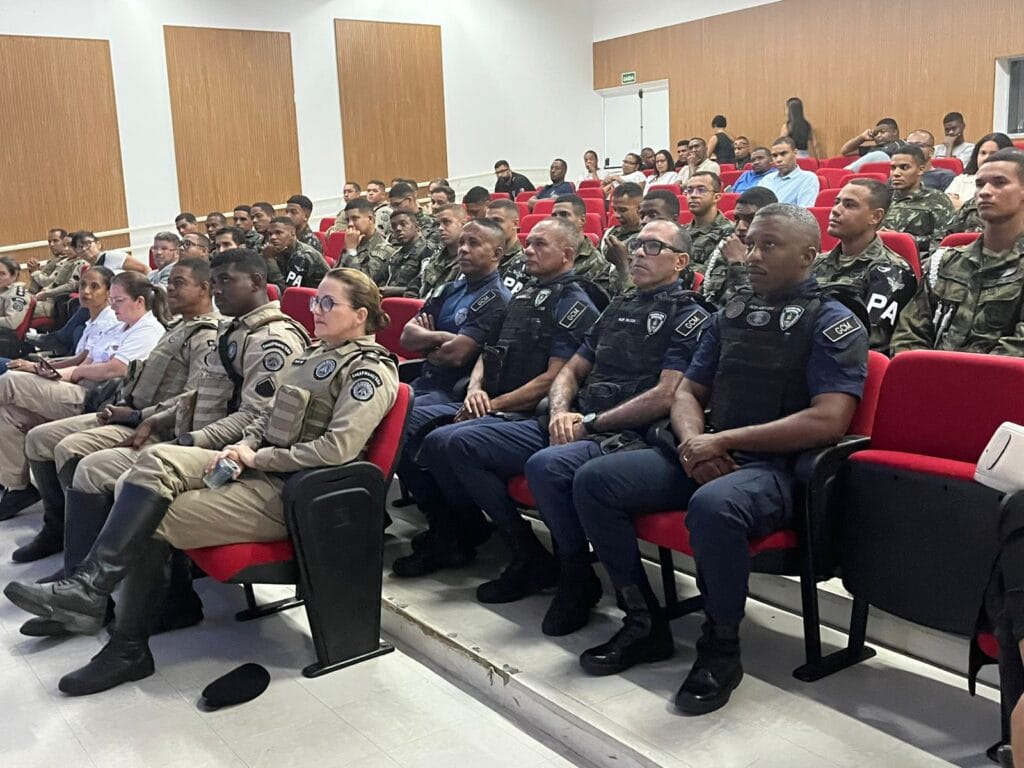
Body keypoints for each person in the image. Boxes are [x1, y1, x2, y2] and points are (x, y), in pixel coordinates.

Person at [3, 268, 398, 696]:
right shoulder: (314, 357)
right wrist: (240, 448)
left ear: (360, 315)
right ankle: (88, 588)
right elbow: (265, 417)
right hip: (254, 469)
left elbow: (337, 450)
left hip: (293, 494)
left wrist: (255, 455)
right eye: (316, 301)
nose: (315, 310)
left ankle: (126, 646)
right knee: (151, 463)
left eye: (327, 303)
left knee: (152, 514)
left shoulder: (368, 371)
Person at [565, 203, 867, 716]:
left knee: (713, 506)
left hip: (777, 471)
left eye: (769, 245)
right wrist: (693, 442)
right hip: (707, 451)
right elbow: (686, 391)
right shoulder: (731, 314)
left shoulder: (832, 322)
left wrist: (721, 442)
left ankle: (721, 648)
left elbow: (829, 420)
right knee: (595, 480)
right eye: (750, 244)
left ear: (809, 255)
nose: (752, 255)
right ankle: (643, 620)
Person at [440, 219, 712, 609]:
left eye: (653, 247)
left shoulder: (690, 315)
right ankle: (526, 552)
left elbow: (667, 394)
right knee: (457, 442)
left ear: (680, 261)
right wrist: (561, 409)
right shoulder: (618, 306)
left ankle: (576, 575)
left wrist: (590, 422)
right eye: (636, 245)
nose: (637, 253)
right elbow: (572, 369)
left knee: (547, 466)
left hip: (628, 434)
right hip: (572, 420)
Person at [391, 218, 601, 577]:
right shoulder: (523, 296)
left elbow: (555, 377)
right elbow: (489, 353)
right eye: (528, 243)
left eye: (540, 245)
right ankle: (464, 530)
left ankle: (522, 549)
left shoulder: (574, 304)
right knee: (432, 438)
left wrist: (492, 404)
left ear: (567, 255)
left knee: (445, 440)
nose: (528, 250)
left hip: (534, 414)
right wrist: (476, 389)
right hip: (496, 404)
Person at [14, 259, 220, 566]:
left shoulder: (207, 335)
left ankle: (84, 562)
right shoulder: (178, 329)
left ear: (205, 289)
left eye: (179, 284)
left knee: (72, 452)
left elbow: (191, 399)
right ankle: (58, 529)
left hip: (153, 424)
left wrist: (139, 416)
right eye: (170, 283)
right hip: (129, 410)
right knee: (39, 438)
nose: (169, 290)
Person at [0, 271, 168, 519]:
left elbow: (115, 369)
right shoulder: (120, 326)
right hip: (77, 386)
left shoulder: (147, 330)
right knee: (8, 413)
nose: (113, 305)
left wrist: (71, 373)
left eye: (118, 300)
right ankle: (17, 486)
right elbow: (86, 359)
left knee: (7, 382)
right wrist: (47, 369)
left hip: (94, 398)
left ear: (139, 302)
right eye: (112, 299)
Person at [890, 148, 1024, 355]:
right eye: (979, 184)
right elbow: (908, 334)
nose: (985, 191)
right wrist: (920, 373)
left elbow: (1017, 350)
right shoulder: (945, 261)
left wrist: (956, 378)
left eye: (999, 183)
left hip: (1002, 383)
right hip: (931, 380)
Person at [399, 219, 512, 406]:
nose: (463, 249)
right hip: (422, 380)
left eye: (473, 243)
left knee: (392, 415)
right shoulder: (448, 289)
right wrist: (444, 337)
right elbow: (407, 337)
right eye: (461, 242)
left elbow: (456, 355)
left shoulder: (496, 299)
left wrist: (427, 345)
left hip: (451, 392)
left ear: (496, 254)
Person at [817, 180, 918, 354]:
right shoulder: (815, 263)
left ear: (875, 217)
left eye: (849, 205)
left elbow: (868, 338)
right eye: (837, 202)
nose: (836, 210)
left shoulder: (893, 272)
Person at [702, 187, 778, 307]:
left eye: (751, 219)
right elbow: (704, 291)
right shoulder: (726, 248)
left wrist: (738, 264)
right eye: (737, 219)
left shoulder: (781, 259)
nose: (741, 227)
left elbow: (749, 307)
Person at [881, 145, 955, 258]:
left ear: (921, 169)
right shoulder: (880, 198)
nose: (896, 173)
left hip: (917, 260)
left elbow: (943, 242)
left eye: (904, 167)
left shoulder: (937, 200)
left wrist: (901, 239)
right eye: (893, 168)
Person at [550, 196, 619, 298]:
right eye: (554, 215)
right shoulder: (546, 254)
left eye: (564, 214)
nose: (558, 220)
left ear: (582, 220)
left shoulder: (598, 264)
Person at [32, 230, 92, 320]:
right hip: (48, 297)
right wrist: (47, 289)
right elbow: (56, 282)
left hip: (55, 301)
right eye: (65, 246)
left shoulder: (81, 263)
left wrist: (47, 293)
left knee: (22, 310)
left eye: (70, 246)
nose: (66, 249)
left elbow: (71, 285)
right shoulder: (66, 261)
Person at [410, 204, 466, 298]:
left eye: (447, 222)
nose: (440, 228)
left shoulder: (469, 261)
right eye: (437, 224)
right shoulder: (435, 257)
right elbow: (415, 286)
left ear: (463, 225)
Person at [946, 133, 1014, 209]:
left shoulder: (1012, 183)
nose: (986, 158)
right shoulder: (962, 179)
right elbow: (945, 203)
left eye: (993, 154)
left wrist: (961, 205)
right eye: (983, 153)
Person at [339, 198, 397, 283]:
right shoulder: (353, 242)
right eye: (348, 220)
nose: (350, 224)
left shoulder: (384, 249)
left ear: (370, 219)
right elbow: (337, 274)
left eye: (355, 219)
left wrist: (351, 251)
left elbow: (363, 283)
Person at [263, 216, 330, 290]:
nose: (273, 237)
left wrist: (270, 260)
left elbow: (287, 292)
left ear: (292, 234)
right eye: (270, 234)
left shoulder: (303, 255)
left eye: (278, 233)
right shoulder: (276, 250)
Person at [684, 172, 734, 269]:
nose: (693, 195)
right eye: (689, 191)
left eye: (701, 190)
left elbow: (710, 273)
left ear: (716, 197)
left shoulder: (729, 232)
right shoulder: (682, 231)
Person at [380, 210, 432, 297]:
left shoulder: (427, 251)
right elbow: (383, 279)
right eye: (394, 226)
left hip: (411, 303)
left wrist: (394, 291)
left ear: (416, 226)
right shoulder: (395, 254)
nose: (398, 229)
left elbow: (425, 287)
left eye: (403, 224)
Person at [757, 137, 820, 206]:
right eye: (775, 156)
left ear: (795, 153)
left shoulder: (808, 178)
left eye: (783, 154)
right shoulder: (767, 179)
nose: (778, 159)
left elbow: (804, 212)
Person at [485, 199, 527, 293]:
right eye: (487, 221)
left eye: (497, 220)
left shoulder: (525, 262)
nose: (491, 226)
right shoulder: (482, 257)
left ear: (515, 224)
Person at [388, 182, 440, 253]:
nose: (395, 209)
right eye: (392, 206)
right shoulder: (395, 225)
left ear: (409, 200)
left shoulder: (431, 223)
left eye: (397, 204)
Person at [0, 257, 31, 359]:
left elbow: (12, 322)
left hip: (6, 339)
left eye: (2, 274)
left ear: (14, 276)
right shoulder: (3, 289)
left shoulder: (17, 294)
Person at [27, 229, 69, 294]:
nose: (51, 244)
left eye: (55, 241)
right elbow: (35, 287)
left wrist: (35, 272)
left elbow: (49, 283)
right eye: (49, 241)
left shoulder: (67, 261)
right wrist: (35, 269)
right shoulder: (53, 259)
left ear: (65, 242)